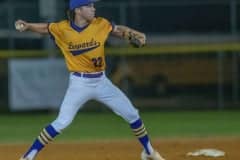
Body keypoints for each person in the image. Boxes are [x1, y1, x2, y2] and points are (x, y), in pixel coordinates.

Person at [15, 0, 165, 160]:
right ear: (78, 10)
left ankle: (148, 152)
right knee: (62, 122)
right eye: (89, 6)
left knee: (132, 114)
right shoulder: (62, 28)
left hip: (101, 81)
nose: (93, 8)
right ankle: (28, 156)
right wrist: (28, 25)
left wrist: (133, 34)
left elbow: (119, 30)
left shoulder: (100, 23)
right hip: (79, 84)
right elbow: (45, 28)